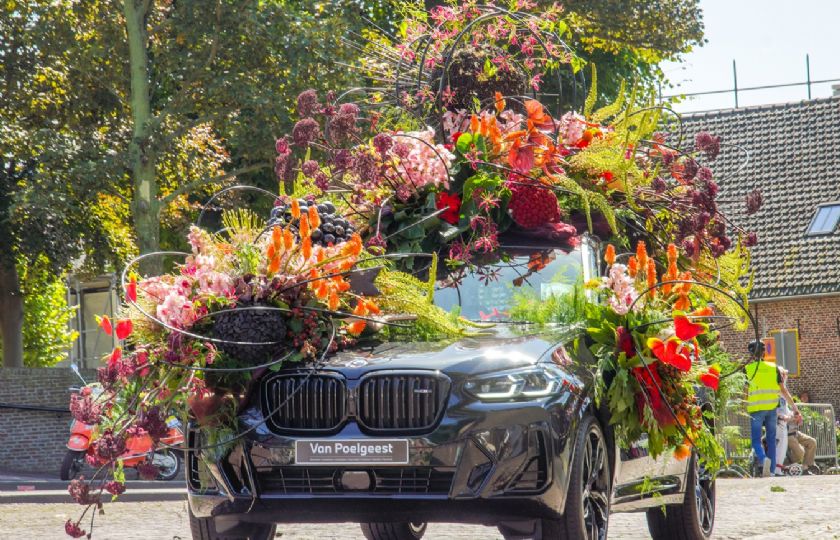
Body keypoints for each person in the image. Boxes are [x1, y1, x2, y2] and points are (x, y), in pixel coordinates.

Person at [745, 340, 799, 477]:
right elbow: (783, 390)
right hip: (771, 409)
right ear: (764, 352)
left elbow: (744, 392)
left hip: (756, 409)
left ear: (751, 353)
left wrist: (742, 406)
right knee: (771, 438)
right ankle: (773, 471)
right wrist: (795, 408)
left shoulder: (748, 369)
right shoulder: (773, 368)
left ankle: (764, 460)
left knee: (756, 440)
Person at [787, 409, 818, 474]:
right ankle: (788, 464)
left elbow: (800, 421)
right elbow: (781, 417)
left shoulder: (790, 405)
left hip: (795, 432)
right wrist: (792, 418)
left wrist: (799, 418)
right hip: (786, 435)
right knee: (801, 452)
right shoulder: (779, 405)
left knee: (812, 442)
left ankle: (807, 465)